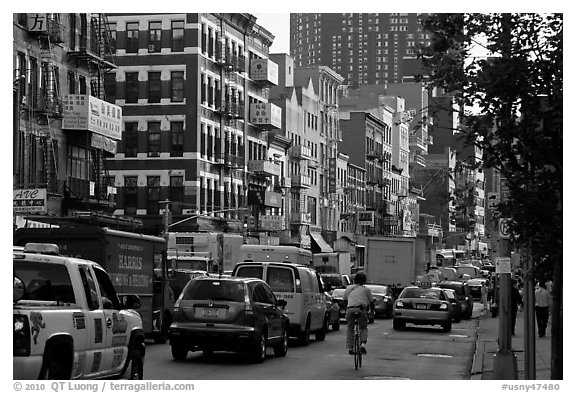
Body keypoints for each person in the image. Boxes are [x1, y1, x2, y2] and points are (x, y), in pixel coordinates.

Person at [343, 271, 374, 355]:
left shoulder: (349, 288)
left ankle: (350, 347)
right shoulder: (366, 290)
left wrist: (347, 308)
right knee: (363, 327)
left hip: (350, 309)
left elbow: (345, 300)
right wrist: (371, 312)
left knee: (350, 328)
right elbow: (371, 302)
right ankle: (363, 344)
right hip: (361, 309)